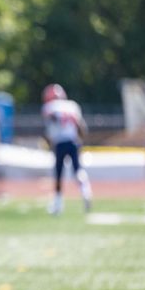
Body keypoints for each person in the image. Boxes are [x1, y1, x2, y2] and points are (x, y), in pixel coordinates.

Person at [42, 83, 92, 215]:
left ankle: (58, 205)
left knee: (58, 174)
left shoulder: (50, 107)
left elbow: (50, 129)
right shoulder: (72, 106)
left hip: (60, 143)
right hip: (74, 142)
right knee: (78, 169)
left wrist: (49, 142)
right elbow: (81, 127)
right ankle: (86, 192)